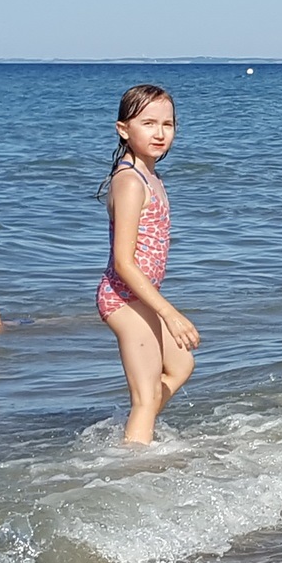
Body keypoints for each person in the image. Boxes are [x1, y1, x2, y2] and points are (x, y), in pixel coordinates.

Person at [96, 84, 200, 445]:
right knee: (145, 397)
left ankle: (134, 433)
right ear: (124, 129)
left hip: (139, 296)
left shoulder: (151, 175)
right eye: (148, 123)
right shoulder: (129, 181)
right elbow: (124, 262)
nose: (159, 133)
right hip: (122, 298)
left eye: (167, 124)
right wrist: (169, 313)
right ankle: (132, 462)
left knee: (182, 365)